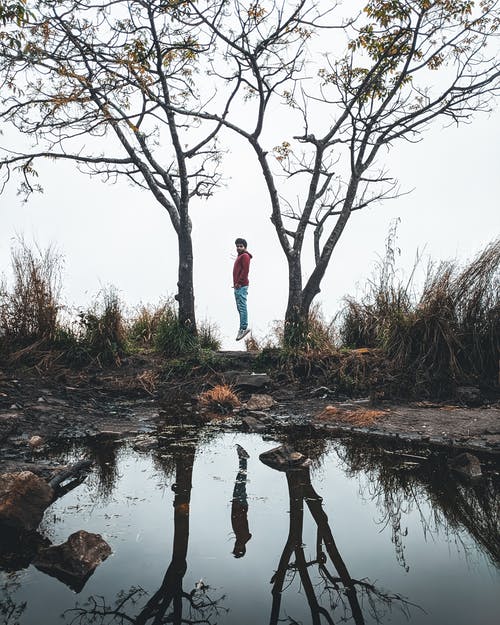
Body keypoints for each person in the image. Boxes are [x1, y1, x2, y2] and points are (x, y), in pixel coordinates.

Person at [233, 237, 252, 341]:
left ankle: (243, 328)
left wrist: (239, 283)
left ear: (245, 247)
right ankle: (242, 328)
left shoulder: (245, 256)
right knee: (240, 307)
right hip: (238, 286)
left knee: (242, 306)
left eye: (241, 246)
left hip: (241, 286)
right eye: (237, 246)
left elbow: (245, 271)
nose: (239, 248)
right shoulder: (240, 256)